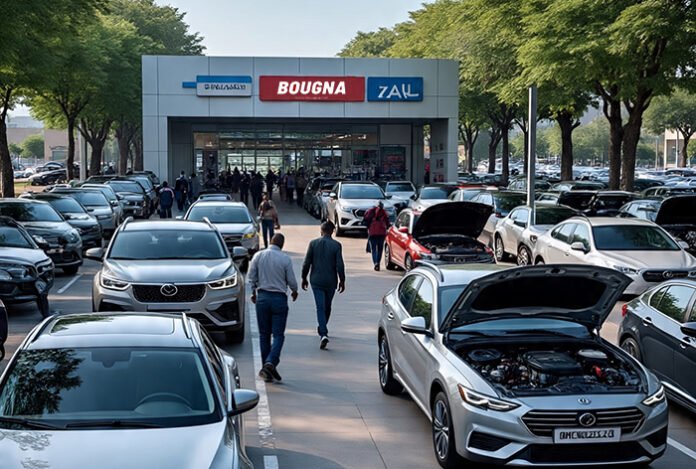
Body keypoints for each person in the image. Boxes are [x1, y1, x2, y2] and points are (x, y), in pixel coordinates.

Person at [247, 233, 298, 382]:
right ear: (282, 245)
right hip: (279, 299)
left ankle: (267, 367)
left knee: (264, 335)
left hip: (263, 298)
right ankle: (270, 363)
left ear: (270, 241)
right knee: (278, 335)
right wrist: (294, 291)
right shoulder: (285, 259)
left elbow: (251, 276)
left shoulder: (258, 256)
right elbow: (291, 280)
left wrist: (253, 292)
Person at [301, 221, 346, 350]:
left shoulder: (313, 243)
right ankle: (323, 329)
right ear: (332, 231)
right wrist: (342, 280)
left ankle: (323, 331)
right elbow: (340, 264)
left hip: (316, 281)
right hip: (331, 281)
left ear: (321, 231)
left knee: (320, 307)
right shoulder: (336, 245)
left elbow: (307, 262)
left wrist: (304, 277)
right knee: (327, 306)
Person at [363, 201, 390, 271]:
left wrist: (368, 227)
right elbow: (388, 223)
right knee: (380, 249)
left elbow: (365, 219)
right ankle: (378, 262)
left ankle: (375, 263)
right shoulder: (384, 213)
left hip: (373, 232)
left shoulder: (370, 212)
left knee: (374, 249)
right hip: (381, 233)